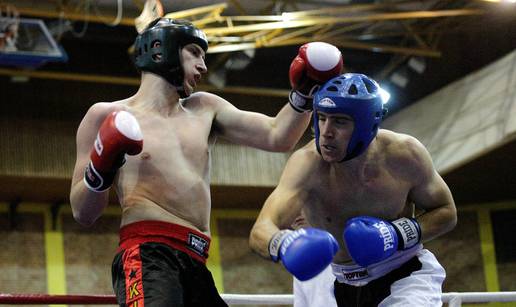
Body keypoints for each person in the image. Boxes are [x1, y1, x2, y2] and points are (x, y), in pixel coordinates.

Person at [69, 17, 343, 307]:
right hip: (148, 254)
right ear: (161, 49)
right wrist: (101, 166)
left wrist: (304, 93)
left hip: (197, 261)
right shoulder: (106, 115)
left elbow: (277, 136)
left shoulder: (204, 108)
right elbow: (83, 212)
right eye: (195, 53)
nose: (203, 66)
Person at [249, 73, 457, 307]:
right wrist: (284, 243)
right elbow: (261, 229)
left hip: (406, 274)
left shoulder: (405, 154)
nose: (326, 131)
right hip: (344, 286)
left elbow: (446, 212)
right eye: (322, 118)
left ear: (368, 125)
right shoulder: (307, 165)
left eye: (339, 121)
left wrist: (396, 234)